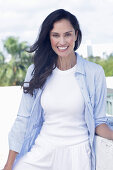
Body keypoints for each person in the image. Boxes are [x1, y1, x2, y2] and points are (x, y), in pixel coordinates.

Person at [3, 9, 113, 170]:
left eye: (67, 34)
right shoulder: (36, 71)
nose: (62, 41)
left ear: (76, 35)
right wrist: (8, 164)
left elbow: (98, 122)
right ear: (49, 37)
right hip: (42, 152)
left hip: (78, 156)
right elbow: (23, 119)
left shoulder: (94, 72)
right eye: (56, 35)